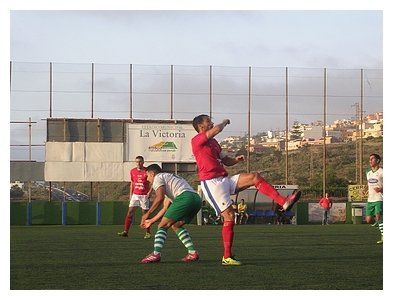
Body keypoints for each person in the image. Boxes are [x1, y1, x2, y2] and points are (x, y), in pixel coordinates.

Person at [191, 114, 301, 266]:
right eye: (208, 121)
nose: (212, 123)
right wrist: (224, 122)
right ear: (201, 127)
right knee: (229, 216)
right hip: (211, 183)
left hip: (224, 179)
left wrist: (236, 160)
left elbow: (226, 161)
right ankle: (227, 256)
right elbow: (216, 130)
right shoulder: (197, 140)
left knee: (254, 177)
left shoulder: (214, 143)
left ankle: (283, 202)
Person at [139, 164, 202, 263]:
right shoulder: (169, 179)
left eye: (147, 176)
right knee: (176, 225)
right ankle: (192, 252)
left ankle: (156, 254)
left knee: (162, 226)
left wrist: (147, 214)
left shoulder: (158, 178)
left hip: (184, 198)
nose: (147, 179)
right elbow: (165, 208)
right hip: (196, 199)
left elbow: (159, 198)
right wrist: (151, 220)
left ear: (152, 173)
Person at [117, 156, 152, 239]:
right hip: (135, 195)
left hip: (144, 196)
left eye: (140, 161)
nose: (138, 163)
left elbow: (152, 182)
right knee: (130, 213)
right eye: (137, 162)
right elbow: (132, 183)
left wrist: (150, 192)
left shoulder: (147, 171)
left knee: (145, 214)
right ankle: (126, 231)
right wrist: (130, 194)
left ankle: (148, 232)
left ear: (143, 162)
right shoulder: (132, 171)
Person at [366, 153, 383, 243]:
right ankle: (380, 222)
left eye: (372, 159)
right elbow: (369, 184)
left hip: (379, 198)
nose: (370, 161)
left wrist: (381, 189)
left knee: (378, 215)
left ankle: (384, 235)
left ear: (378, 161)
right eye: (370, 159)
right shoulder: (368, 173)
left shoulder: (382, 172)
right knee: (368, 220)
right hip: (370, 199)